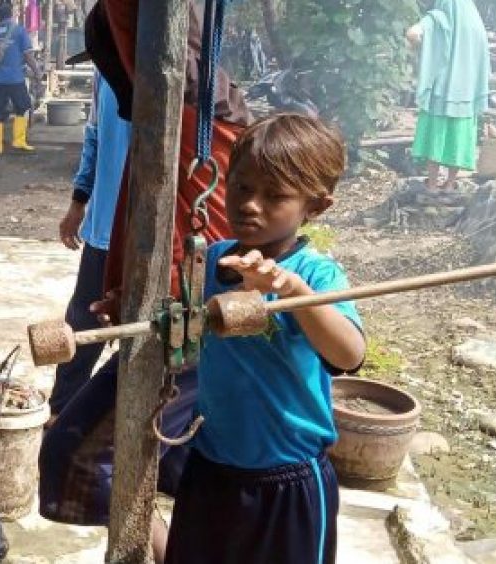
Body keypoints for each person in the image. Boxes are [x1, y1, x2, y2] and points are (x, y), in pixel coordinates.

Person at [37, 0, 253, 559]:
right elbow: (141, 208)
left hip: (192, 334)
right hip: (169, 322)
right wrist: (120, 289)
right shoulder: (161, 122)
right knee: (174, 467)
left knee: (74, 453)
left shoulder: (196, 119)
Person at [165, 114, 366, 564]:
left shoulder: (315, 274)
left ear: (316, 207)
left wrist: (292, 292)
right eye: (241, 187)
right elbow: (182, 319)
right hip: (212, 467)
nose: (251, 205)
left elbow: (349, 355)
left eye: (274, 195)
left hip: (288, 481)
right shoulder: (214, 259)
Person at [51, 71, 131, 414]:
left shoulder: (186, 73)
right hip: (104, 230)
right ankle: (59, 417)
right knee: (83, 330)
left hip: (159, 239)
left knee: (143, 337)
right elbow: (95, 139)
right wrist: (77, 203)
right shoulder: (105, 75)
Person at [407, 0, 490, 190]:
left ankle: (433, 183)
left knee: (436, 134)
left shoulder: (438, 17)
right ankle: (450, 184)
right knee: (459, 138)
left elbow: (412, 33)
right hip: (467, 93)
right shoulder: (476, 24)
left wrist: (425, 49)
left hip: (441, 90)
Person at [0, 1, 42, 155]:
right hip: (15, 78)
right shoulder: (20, 31)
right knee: (22, 106)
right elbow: (28, 55)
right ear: (12, 13)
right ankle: (18, 141)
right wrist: (36, 71)